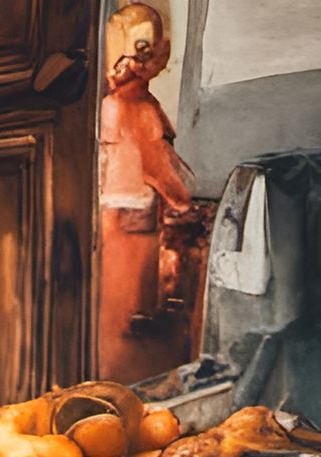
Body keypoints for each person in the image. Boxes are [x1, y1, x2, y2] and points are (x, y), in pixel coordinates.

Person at [97, 4, 205, 384]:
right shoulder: (138, 109)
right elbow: (161, 169)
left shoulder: (111, 106)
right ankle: (132, 382)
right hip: (134, 227)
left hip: (114, 223)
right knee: (132, 313)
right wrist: (187, 206)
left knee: (113, 314)